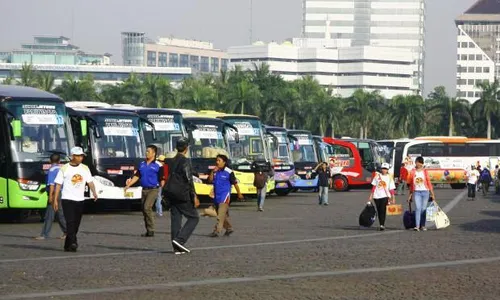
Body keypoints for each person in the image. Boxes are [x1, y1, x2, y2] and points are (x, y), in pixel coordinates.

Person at [53, 147, 97, 252]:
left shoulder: (85, 168)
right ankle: (73, 242)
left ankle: (67, 245)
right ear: (72, 156)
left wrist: (94, 192)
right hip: (67, 199)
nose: (80, 158)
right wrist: (55, 199)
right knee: (70, 222)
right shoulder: (64, 168)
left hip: (80, 199)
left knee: (76, 223)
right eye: (78, 156)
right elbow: (58, 184)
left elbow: (90, 181)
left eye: (81, 156)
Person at [165, 138, 200, 254]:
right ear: (186, 148)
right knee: (194, 217)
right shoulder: (185, 161)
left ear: (176, 147)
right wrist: (194, 195)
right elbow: (188, 179)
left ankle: (176, 247)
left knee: (176, 219)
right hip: (182, 194)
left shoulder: (169, 161)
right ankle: (180, 240)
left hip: (171, 193)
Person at [125, 145, 164, 237]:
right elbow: (137, 176)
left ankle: (151, 230)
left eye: (148, 151)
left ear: (154, 153)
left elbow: (162, 179)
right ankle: (148, 230)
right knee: (144, 209)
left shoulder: (158, 165)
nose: (146, 153)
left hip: (153, 189)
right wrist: (128, 185)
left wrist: (163, 189)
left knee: (147, 207)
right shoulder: (142, 164)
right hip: (144, 189)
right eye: (146, 151)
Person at [208, 154, 243, 237]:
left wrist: (239, 193)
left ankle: (216, 231)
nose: (217, 162)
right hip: (216, 196)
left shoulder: (229, 172)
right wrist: (213, 172)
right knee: (222, 215)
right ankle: (229, 228)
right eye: (216, 160)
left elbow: (235, 184)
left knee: (220, 215)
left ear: (224, 162)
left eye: (219, 160)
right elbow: (210, 180)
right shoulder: (215, 171)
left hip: (225, 196)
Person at [35, 153, 67, 240]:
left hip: (54, 194)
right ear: (59, 161)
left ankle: (44, 234)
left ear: (50, 161)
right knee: (60, 214)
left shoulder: (52, 170)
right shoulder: (61, 169)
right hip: (61, 193)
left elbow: (52, 184)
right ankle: (67, 231)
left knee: (49, 215)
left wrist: (51, 197)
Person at [407, 156, 435, 232]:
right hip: (416, 192)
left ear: (422, 163)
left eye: (420, 162)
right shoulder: (413, 172)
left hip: (425, 192)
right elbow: (411, 185)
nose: (419, 164)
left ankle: (423, 225)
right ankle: (417, 226)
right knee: (418, 208)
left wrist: (432, 194)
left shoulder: (425, 171)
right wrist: (410, 195)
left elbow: (429, 183)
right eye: (417, 162)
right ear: (415, 162)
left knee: (423, 209)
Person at [369, 163, 396, 231]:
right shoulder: (377, 176)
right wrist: (371, 196)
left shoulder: (390, 177)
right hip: (376, 196)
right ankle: (381, 223)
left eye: (385, 169)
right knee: (379, 210)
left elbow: (391, 188)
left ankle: (382, 225)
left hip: (385, 196)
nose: (384, 170)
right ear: (381, 169)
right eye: (383, 168)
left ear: (387, 170)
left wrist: (393, 197)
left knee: (383, 210)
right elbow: (374, 186)